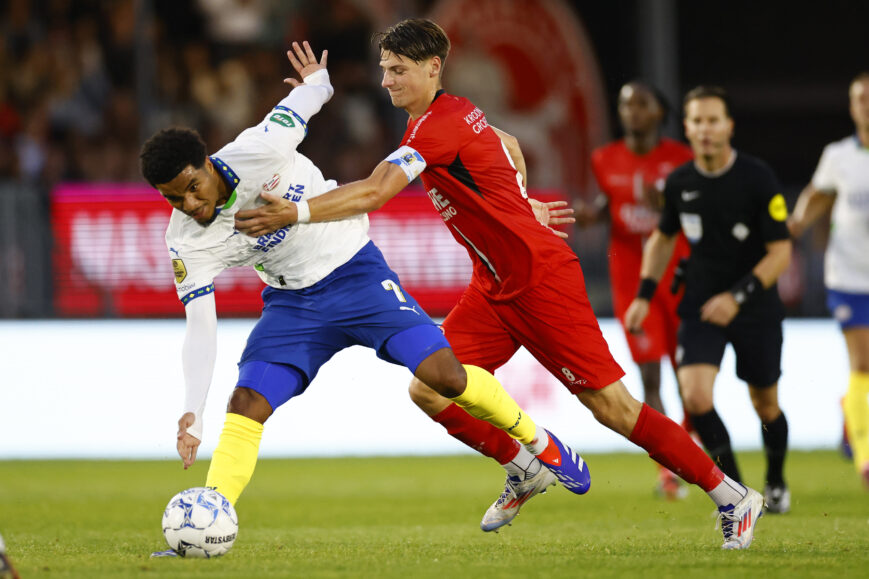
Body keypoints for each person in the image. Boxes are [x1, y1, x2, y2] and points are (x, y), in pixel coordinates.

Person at [234, 20, 765, 550]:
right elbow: (506, 144)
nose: (387, 81)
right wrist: (518, 201)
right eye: (384, 70)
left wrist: (297, 213)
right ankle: (522, 466)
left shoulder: (435, 127)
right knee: (430, 387)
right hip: (493, 286)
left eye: (398, 70)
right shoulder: (454, 114)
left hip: (541, 282)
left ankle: (732, 497)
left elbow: (376, 191)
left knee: (615, 410)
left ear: (432, 68)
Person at [139, 42, 591, 527]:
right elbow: (200, 328)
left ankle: (540, 444)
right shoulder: (185, 242)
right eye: (173, 199)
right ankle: (211, 515)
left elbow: (314, 94)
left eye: (192, 187)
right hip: (294, 305)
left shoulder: (261, 146)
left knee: (446, 377)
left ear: (208, 164)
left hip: (355, 271)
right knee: (246, 401)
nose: (189, 204)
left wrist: (317, 80)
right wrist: (192, 411)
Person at [625, 85, 793, 514]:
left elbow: (780, 252)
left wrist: (737, 297)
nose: (705, 129)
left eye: (713, 120)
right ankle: (737, 493)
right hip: (700, 303)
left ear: (729, 126)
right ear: (687, 127)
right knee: (695, 398)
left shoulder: (757, 178)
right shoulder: (680, 183)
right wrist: (644, 295)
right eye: (696, 121)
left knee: (765, 403)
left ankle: (775, 481)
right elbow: (662, 240)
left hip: (754, 304)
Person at [576, 81, 694, 499]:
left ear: (660, 113)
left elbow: (694, 213)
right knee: (650, 378)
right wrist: (589, 216)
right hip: (630, 283)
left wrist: (665, 206)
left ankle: (687, 447)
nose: (631, 112)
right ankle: (669, 469)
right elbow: (609, 203)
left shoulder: (682, 159)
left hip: (677, 279)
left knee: (690, 381)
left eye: (641, 104)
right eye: (625, 104)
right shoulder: (605, 159)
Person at [789, 72, 869, 488]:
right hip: (849, 274)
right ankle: (866, 458)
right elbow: (818, 193)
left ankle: (850, 413)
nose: (866, 104)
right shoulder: (838, 155)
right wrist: (798, 222)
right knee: (863, 363)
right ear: (852, 106)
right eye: (860, 98)